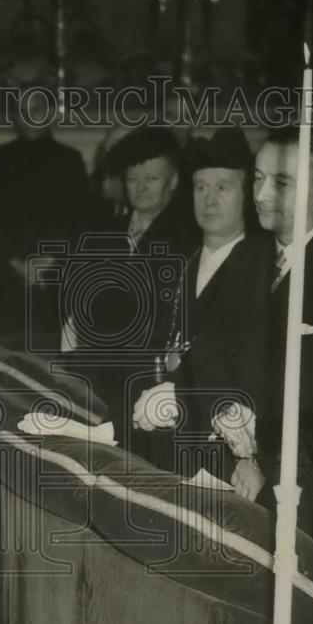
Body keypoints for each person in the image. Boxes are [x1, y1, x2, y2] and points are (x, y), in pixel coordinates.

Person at [212, 127, 313, 520]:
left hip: (307, 480)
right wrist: (227, 410)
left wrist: (260, 459)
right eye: (258, 179)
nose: (261, 195)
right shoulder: (246, 255)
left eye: (280, 182)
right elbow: (213, 352)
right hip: (230, 460)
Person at [130, 127, 259, 475]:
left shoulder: (259, 270)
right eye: (201, 187)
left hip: (219, 454)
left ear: (246, 194)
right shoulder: (182, 266)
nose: (209, 199)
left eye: (223, 187)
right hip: (164, 445)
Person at [64, 127, 199, 459]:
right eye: (133, 179)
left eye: (151, 179)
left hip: (146, 372)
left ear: (173, 181)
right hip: (98, 366)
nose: (140, 188)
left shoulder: (187, 237)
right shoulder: (104, 230)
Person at [0, 86, 93, 351]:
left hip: (56, 269)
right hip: (7, 269)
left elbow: (81, 220)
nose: (29, 117)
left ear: (50, 113)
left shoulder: (69, 161)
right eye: (23, 111)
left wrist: (48, 260)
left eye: (36, 109)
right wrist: (16, 262)